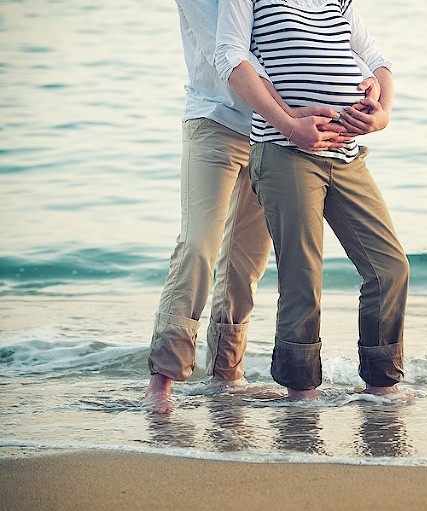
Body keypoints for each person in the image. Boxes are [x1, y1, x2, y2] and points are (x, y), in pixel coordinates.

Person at [143, 0, 377, 411]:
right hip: (215, 121)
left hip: (273, 135)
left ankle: (225, 375)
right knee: (199, 244)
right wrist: (290, 117)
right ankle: (162, 378)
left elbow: (332, 42)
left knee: (245, 261)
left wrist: (358, 84)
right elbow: (235, 55)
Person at [215, 0, 409, 399]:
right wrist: (289, 124)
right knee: (302, 275)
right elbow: (231, 59)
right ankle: (301, 393)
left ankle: (380, 385)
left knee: (389, 267)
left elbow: (377, 61)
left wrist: (383, 114)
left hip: (346, 154)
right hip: (286, 151)